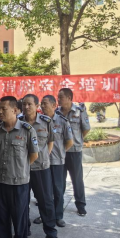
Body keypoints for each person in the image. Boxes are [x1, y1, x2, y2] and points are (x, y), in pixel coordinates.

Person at [0, 96, 38, 238]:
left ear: (15, 110)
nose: (0, 112)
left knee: (19, 221)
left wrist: (20, 170)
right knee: (1, 219)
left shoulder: (27, 130)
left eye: (4, 109)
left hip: (19, 184)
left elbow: (33, 155)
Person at [21, 94, 61, 238]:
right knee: (22, 202)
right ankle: (24, 230)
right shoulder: (18, 123)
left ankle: (51, 232)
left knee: (46, 201)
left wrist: (44, 157)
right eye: (24, 104)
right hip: (22, 169)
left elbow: (50, 142)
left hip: (41, 168)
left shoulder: (46, 122)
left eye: (29, 104)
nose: (26, 107)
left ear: (37, 106)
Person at [57, 88, 90, 216]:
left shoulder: (79, 111)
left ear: (69, 98)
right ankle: (58, 205)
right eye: (58, 97)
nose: (58, 100)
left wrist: (77, 140)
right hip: (60, 152)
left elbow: (86, 129)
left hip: (74, 151)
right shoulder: (57, 112)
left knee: (77, 179)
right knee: (59, 180)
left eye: (61, 97)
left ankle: (80, 205)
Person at [41, 95, 73, 227]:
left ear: (54, 105)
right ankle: (45, 215)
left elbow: (70, 142)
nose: (43, 106)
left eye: (45, 103)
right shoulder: (39, 121)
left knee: (58, 189)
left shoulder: (62, 121)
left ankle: (58, 216)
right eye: (42, 103)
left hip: (57, 162)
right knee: (44, 191)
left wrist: (60, 153)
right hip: (42, 162)